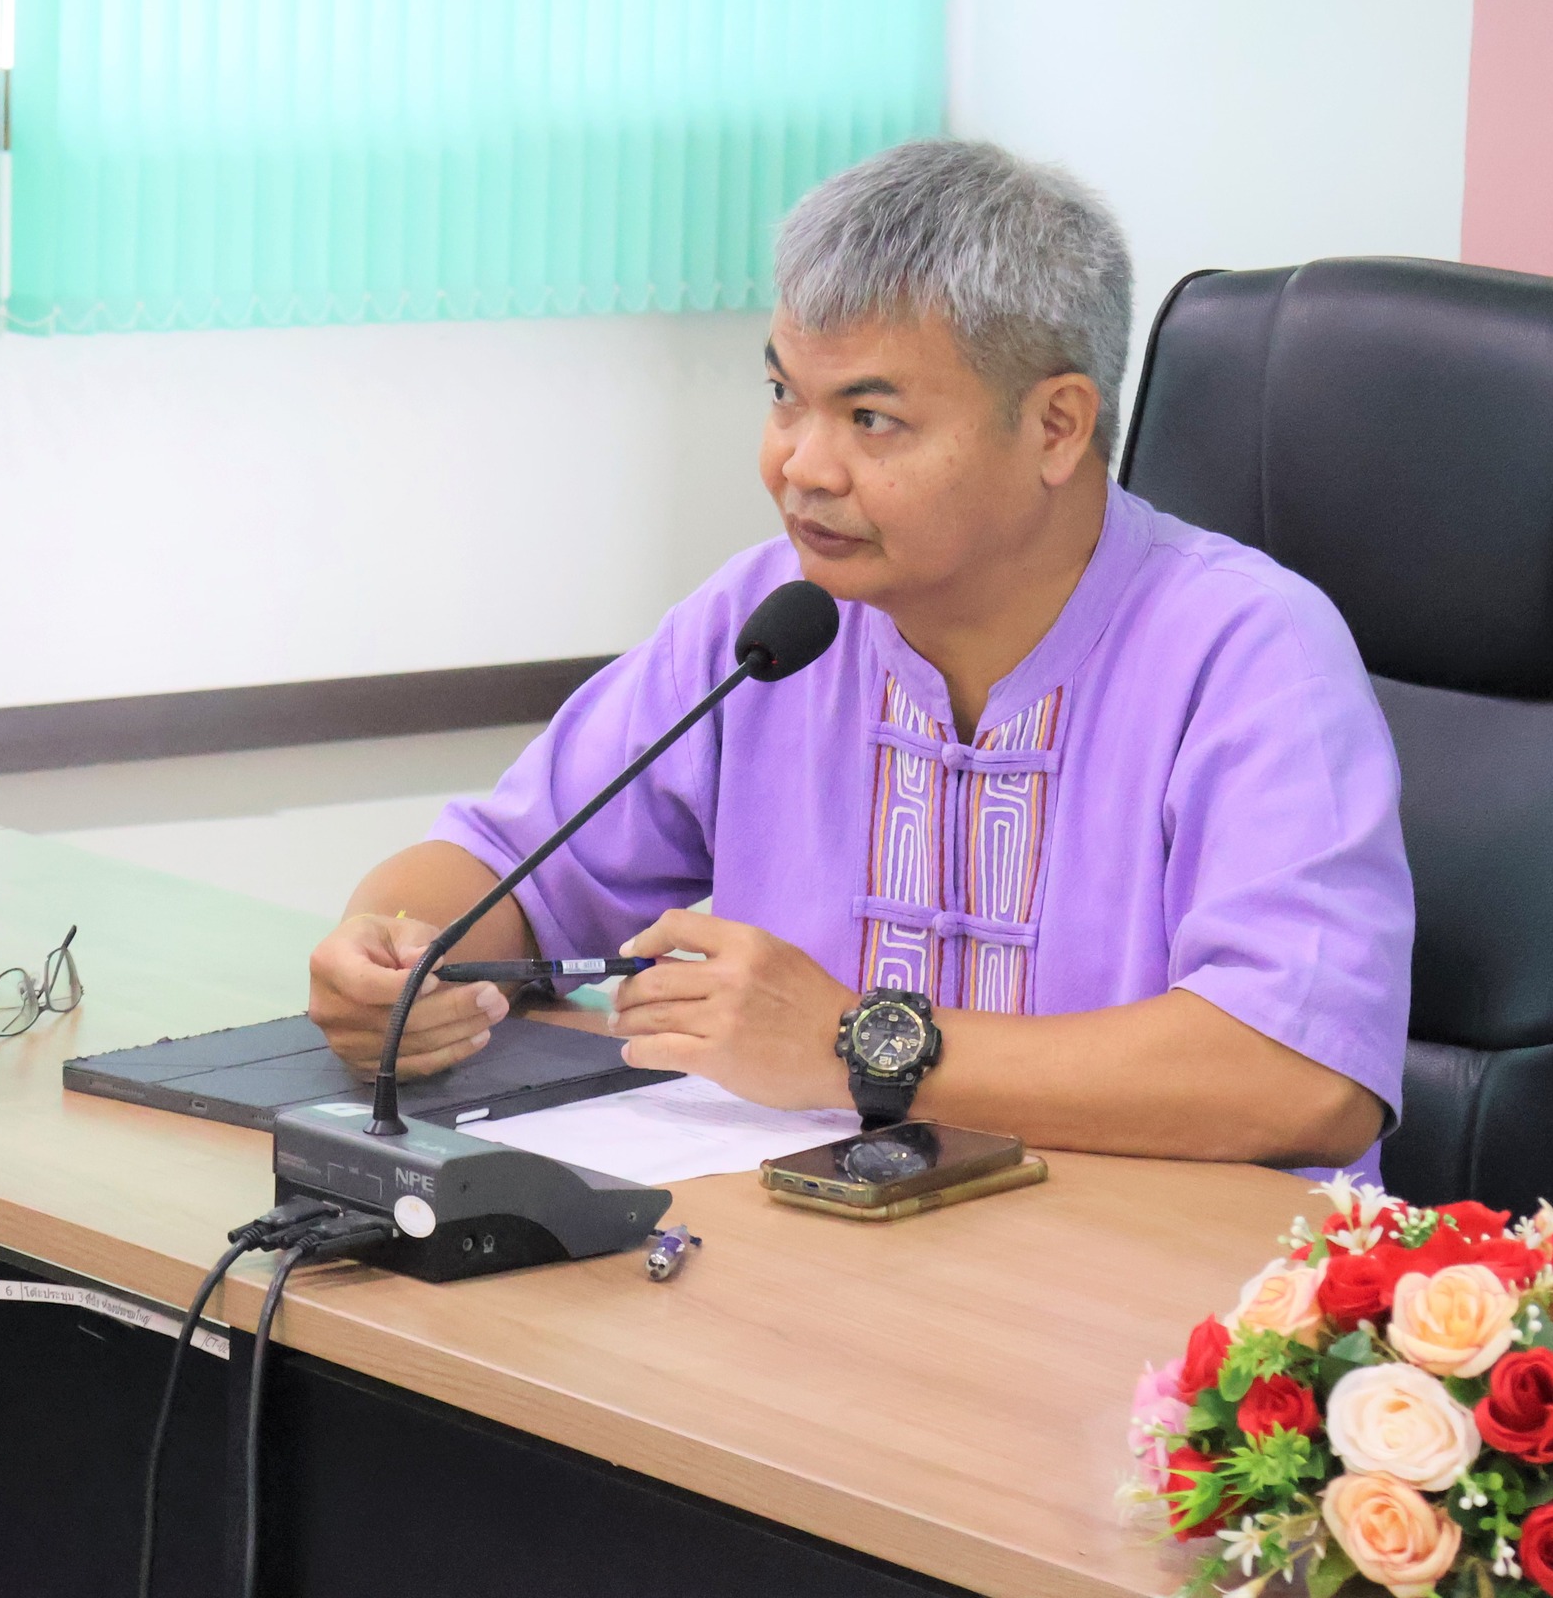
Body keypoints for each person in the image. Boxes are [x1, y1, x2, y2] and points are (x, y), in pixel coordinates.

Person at [309, 139, 1412, 1173]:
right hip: (826, 1255)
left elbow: (1301, 1077)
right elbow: (505, 864)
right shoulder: (769, 623)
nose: (802, 465)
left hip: (1153, 1283)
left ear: (1056, 427)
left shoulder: (1248, 652)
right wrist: (393, 955)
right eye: (784, 396)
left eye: (870, 418)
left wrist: (853, 1044)